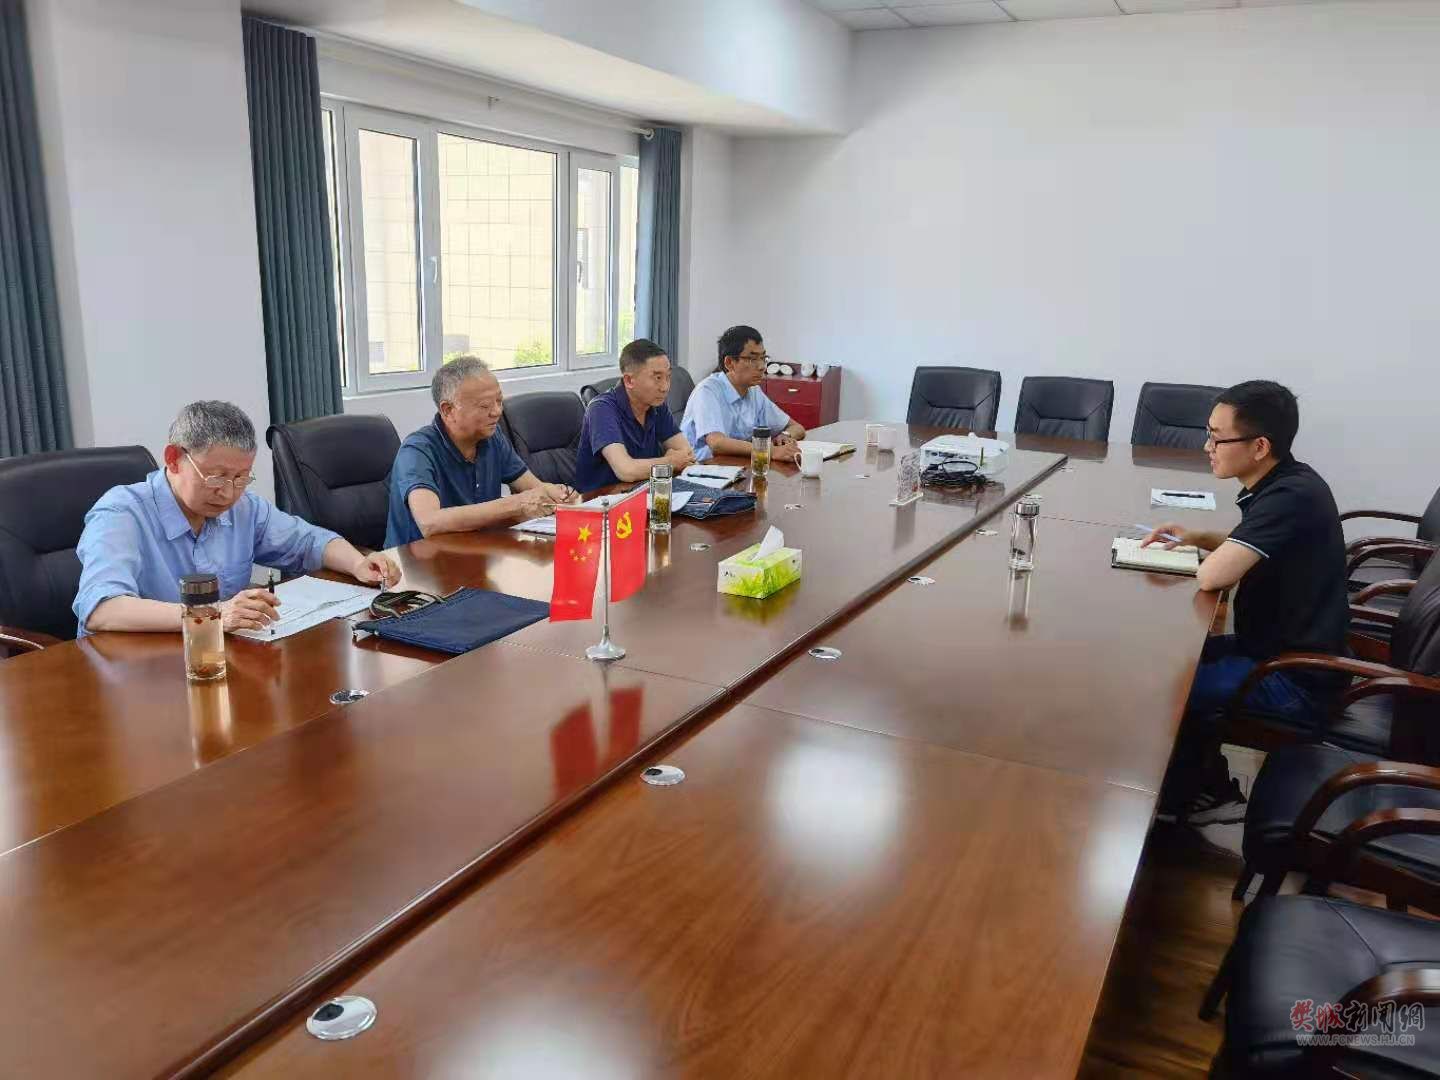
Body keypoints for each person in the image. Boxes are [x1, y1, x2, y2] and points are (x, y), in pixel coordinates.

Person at [1144, 380, 1349, 824]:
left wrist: (1208, 554)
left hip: (1295, 679)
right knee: (1165, 658)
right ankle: (1205, 784)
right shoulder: (1288, 482)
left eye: (1217, 438)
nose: (1207, 447)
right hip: (1273, 650)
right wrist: (1198, 537)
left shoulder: (1289, 497)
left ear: (1259, 446)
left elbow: (1214, 575)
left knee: (1164, 685)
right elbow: (1257, 543)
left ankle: (1203, 795)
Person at [74, 401, 399, 635]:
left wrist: (358, 563)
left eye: (242, 478)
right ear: (173, 459)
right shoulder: (121, 513)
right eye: (216, 477)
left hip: (215, 660)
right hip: (135, 672)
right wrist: (212, 615)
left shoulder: (243, 508)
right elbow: (102, 610)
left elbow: (308, 541)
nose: (228, 493)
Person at [385, 355, 579, 548]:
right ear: (448, 410)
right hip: (419, 562)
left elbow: (532, 487)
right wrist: (516, 504)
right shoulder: (417, 451)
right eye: (485, 406)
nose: (497, 412)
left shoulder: (492, 438)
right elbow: (429, 522)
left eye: (499, 401)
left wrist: (555, 493)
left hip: (476, 551)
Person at [575, 339, 696, 491]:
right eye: (658, 378)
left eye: (668, 377)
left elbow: (686, 454)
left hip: (645, 490)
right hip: (603, 499)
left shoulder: (656, 404)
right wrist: (670, 462)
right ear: (629, 380)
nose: (665, 387)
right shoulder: (601, 409)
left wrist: (672, 461)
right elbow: (626, 471)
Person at [681, 325, 806, 463]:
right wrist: (768, 450)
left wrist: (785, 435)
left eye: (763, 358)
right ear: (729, 363)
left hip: (738, 466)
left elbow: (797, 428)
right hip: (702, 469)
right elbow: (717, 443)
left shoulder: (753, 391)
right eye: (753, 359)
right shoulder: (707, 391)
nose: (761, 366)